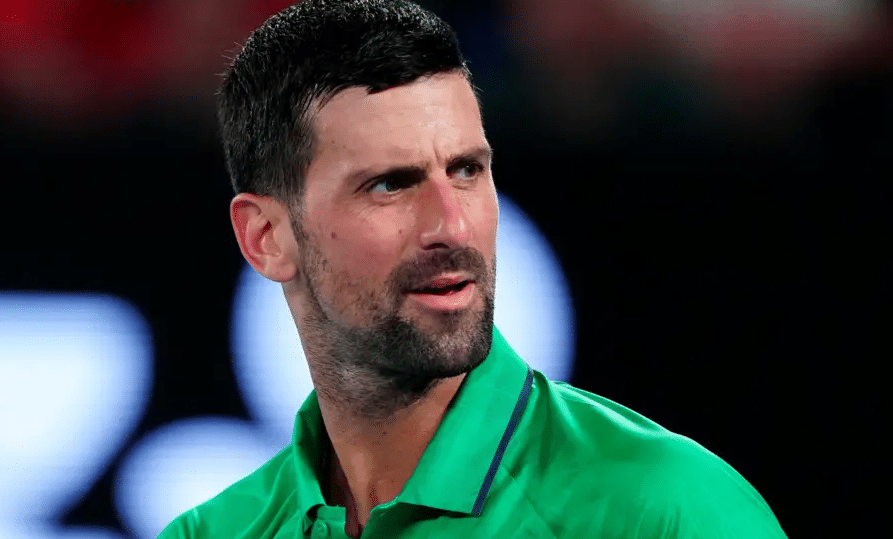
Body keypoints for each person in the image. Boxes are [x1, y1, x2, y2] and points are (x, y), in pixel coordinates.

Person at [159, 1, 788, 537]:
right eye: (389, 185)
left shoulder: (670, 512)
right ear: (267, 237)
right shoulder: (207, 531)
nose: (453, 228)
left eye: (466, 170)